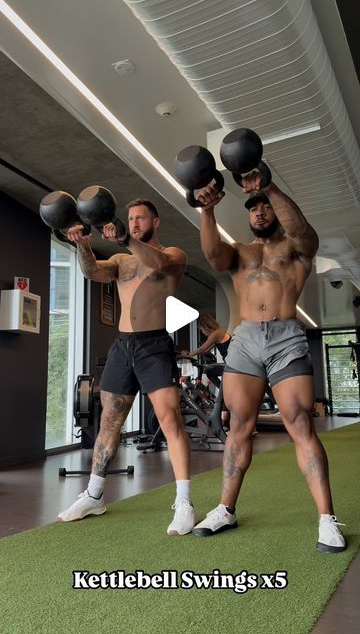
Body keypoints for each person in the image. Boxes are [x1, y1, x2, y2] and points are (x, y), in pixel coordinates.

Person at [191, 174, 346, 553]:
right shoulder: (240, 253)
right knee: (239, 426)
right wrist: (207, 209)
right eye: (254, 209)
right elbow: (212, 256)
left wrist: (271, 189)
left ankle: (327, 519)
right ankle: (225, 509)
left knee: (299, 422)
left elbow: (308, 236)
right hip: (244, 341)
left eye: (265, 207)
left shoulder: (296, 250)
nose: (259, 213)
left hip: (285, 339)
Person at [57, 198, 196, 536]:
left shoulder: (174, 255)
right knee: (109, 421)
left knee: (169, 419)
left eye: (141, 219)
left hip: (154, 345)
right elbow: (92, 272)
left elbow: (159, 262)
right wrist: (83, 245)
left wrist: (124, 238)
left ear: (156, 222)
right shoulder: (121, 260)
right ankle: (94, 495)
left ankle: (184, 502)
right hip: (123, 346)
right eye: (130, 219)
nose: (134, 223)